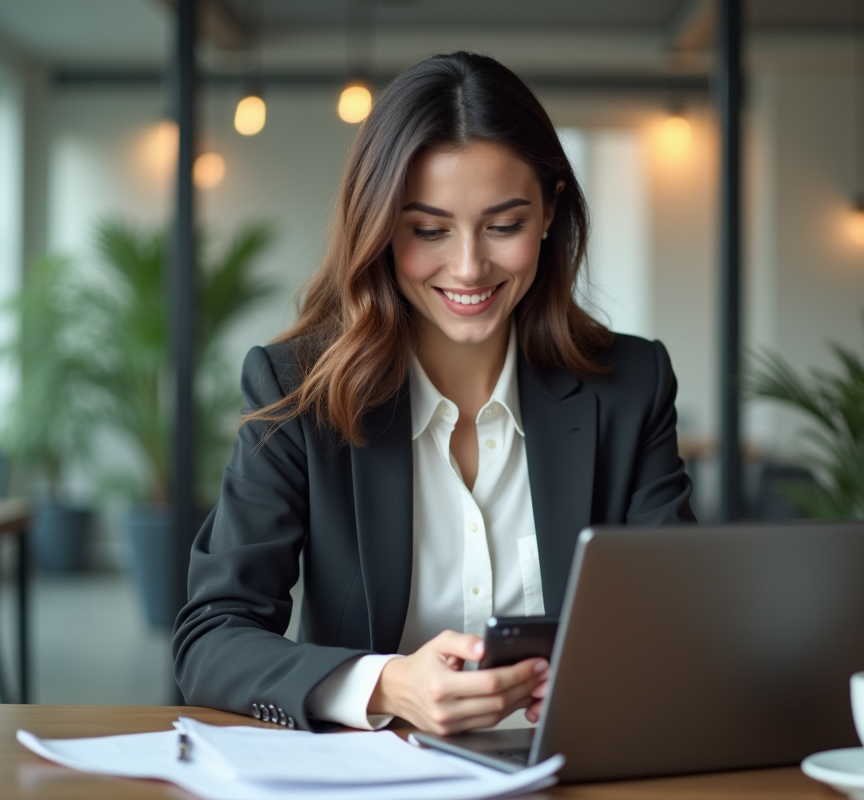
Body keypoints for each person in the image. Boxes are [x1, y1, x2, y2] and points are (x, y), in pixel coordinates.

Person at [173, 51, 695, 736]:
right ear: (381, 226)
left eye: (504, 225)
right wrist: (385, 685)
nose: (469, 266)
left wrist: (611, 672)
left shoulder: (631, 385)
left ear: (549, 213)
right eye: (428, 230)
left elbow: (677, 620)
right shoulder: (298, 392)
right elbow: (212, 636)